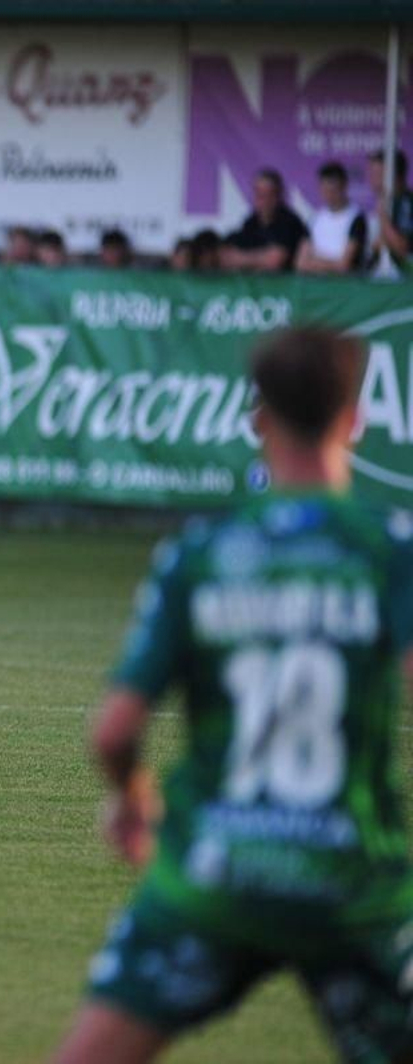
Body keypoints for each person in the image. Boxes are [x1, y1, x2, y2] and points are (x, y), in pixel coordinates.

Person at [52, 325, 413, 1064]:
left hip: (217, 871)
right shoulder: (390, 549)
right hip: (353, 882)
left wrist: (133, 799)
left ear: (258, 419)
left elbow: (114, 734)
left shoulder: (200, 554)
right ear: (357, 420)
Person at [221, 168, 307, 272]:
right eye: (259, 194)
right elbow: (228, 257)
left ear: (278, 196)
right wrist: (259, 258)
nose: (263, 200)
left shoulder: (290, 222)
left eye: (268, 195)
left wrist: (243, 258)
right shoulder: (251, 222)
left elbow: (275, 260)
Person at [296, 162, 366, 275]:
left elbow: (344, 265)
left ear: (344, 187)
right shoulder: (315, 219)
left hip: (343, 286)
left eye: (333, 190)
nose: (329, 195)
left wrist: (314, 262)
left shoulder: (355, 218)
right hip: (315, 285)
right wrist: (333, 264)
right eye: (325, 190)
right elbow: (301, 263)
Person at [368, 148, 413, 271]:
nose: (371, 177)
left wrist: (383, 216)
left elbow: (402, 247)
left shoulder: (407, 202)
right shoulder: (387, 202)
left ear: (393, 175)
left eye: (377, 173)